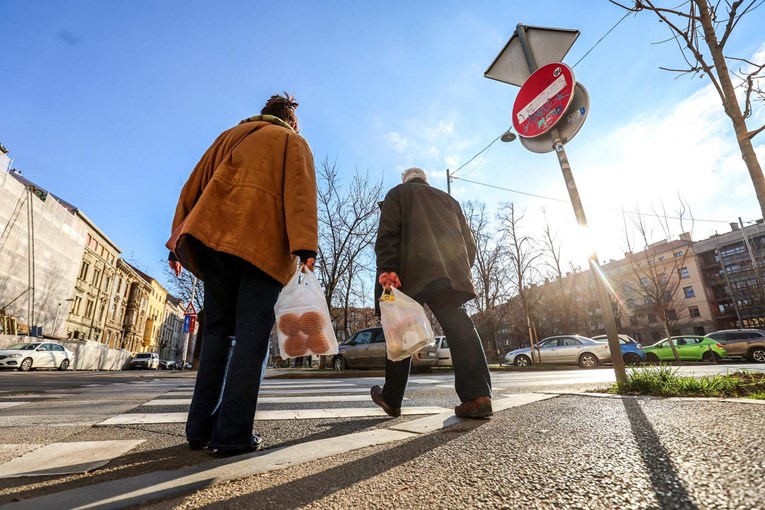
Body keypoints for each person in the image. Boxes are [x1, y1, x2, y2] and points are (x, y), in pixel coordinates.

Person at [167, 92, 318, 455]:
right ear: (291, 121)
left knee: (218, 331)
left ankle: (199, 429)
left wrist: (176, 240)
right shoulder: (291, 141)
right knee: (252, 332)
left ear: (262, 114)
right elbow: (300, 194)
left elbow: (193, 186)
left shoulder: (227, 137)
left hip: (212, 239)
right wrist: (305, 247)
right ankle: (232, 433)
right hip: (261, 243)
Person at [372, 167, 492, 419]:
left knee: (401, 329)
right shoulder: (449, 200)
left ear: (405, 180)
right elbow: (469, 243)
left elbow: (387, 234)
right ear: (426, 181)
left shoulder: (398, 194)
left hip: (410, 271)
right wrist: (461, 270)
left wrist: (387, 268)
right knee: (460, 326)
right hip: (449, 272)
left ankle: (392, 399)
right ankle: (477, 396)